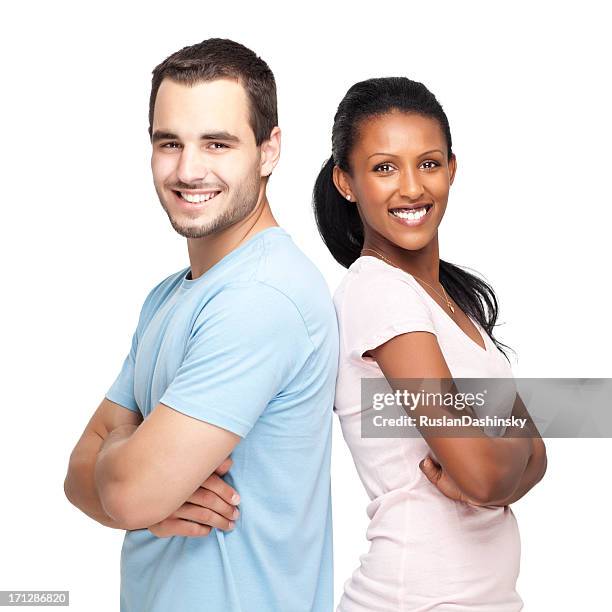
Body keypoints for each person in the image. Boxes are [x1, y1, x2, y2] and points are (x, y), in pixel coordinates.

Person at [64, 38, 338, 612]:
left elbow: (125, 490)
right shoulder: (169, 297)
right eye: (170, 143)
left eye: (217, 143)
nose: (188, 170)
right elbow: (76, 477)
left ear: (269, 150)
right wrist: (132, 485)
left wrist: (122, 466)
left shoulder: (261, 297)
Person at [313, 77, 547, 611]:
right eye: (384, 167)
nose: (413, 188)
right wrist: (495, 462)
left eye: (429, 163)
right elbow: (491, 469)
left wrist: (495, 464)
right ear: (346, 182)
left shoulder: (451, 302)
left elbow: (536, 457)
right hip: (414, 598)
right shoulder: (378, 291)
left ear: (452, 169)